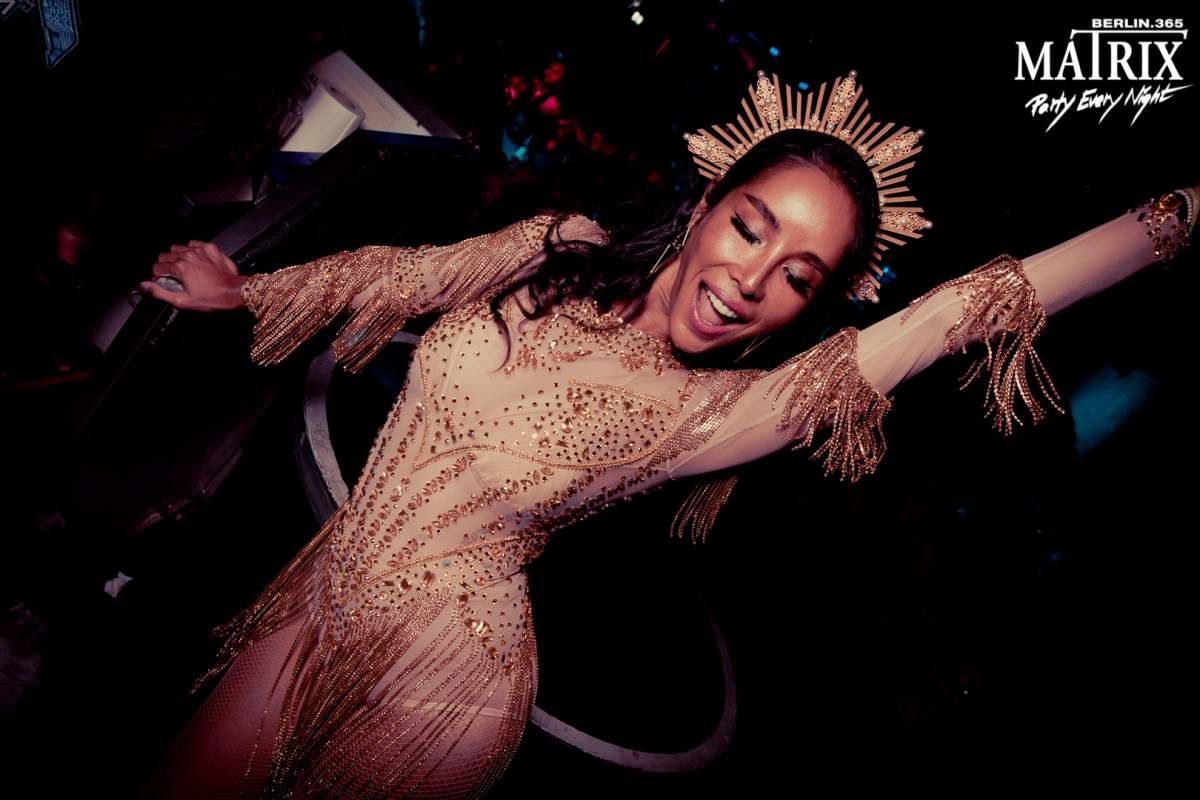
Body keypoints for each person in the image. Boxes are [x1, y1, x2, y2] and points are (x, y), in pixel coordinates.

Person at [133, 70, 1196, 798]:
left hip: (437, 687)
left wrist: (1170, 222)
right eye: (749, 227)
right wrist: (248, 291)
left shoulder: (719, 414)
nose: (750, 278)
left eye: (798, 276)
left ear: (809, 306)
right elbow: (405, 274)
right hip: (326, 583)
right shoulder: (561, 246)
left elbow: (952, 313)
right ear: (706, 206)